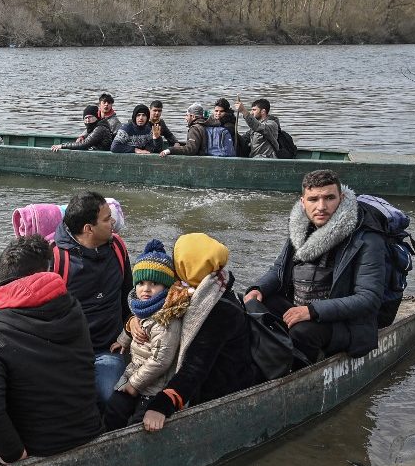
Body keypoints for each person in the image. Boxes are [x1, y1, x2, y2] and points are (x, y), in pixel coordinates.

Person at [0, 235, 102, 463]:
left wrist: (14, 454)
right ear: (47, 272)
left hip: (37, 449)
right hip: (89, 430)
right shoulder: (74, 310)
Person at [244, 170, 386, 364]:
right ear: (303, 202)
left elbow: (368, 299)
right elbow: (278, 270)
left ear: (341, 198)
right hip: (303, 308)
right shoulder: (300, 229)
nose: (321, 207)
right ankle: (265, 362)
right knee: (252, 307)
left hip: (344, 323)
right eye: (313, 199)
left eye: (329, 198)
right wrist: (257, 289)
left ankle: (298, 370)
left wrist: (313, 311)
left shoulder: (367, 239)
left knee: (301, 332)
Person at [133, 233, 259, 432]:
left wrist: (161, 406)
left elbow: (196, 366)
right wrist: (131, 323)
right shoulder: (196, 288)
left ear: (187, 266)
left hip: (220, 385)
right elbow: (148, 308)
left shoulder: (219, 309)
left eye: (177, 261)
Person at [52, 192, 133, 404]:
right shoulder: (56, 260)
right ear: (88, 228)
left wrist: (130, 330)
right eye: (107, 219)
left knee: (112, 400)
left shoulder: (118, 248)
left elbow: (128, 296)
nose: (113, 222)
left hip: (109, 349)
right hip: (69, 355)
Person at [104, 240, 187, 431]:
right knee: (114, 407)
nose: (146, 289)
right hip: (135, 371)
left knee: (140, 424)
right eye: (140, 283)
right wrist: (121, 340)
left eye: (154, 283)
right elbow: (135, 324)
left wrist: (134, 384)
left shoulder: (167, 318)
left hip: (155, 387)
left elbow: (161, 360)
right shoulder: (142, 308)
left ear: (166, 287)